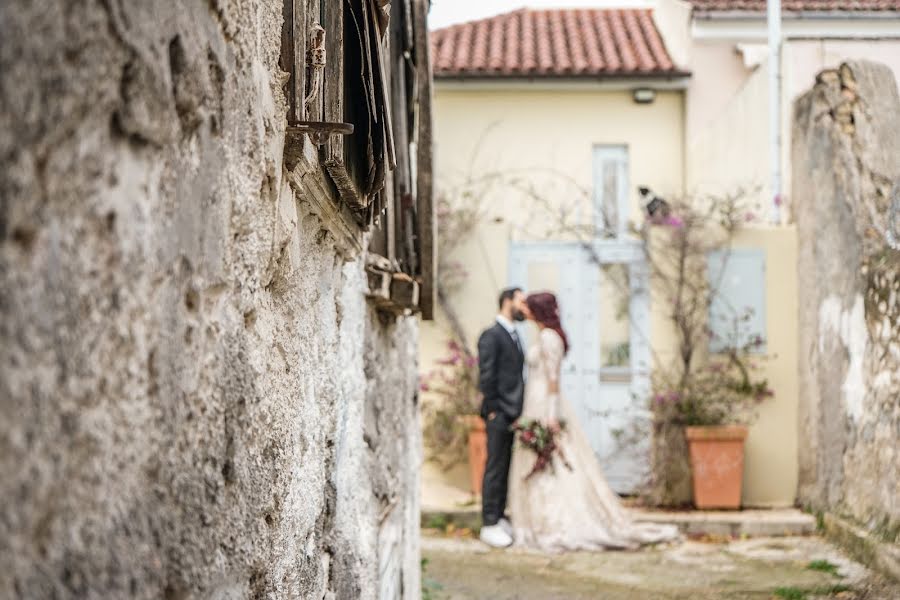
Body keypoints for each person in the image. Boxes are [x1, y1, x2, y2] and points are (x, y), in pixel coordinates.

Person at [508, 291, 680, 552]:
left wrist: (551, 413)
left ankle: (553, 522)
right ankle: (536, 520)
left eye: (529, 306)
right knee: (541, 460)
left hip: (544, 402)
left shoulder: (548, 338)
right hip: (534, 400)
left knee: (552, 460)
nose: (525, 310)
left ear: (537, 311)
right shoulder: (545, 335)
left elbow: (554, 379)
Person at [477, 287, 528, 548]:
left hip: (512, 412)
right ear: (507, 302)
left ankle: (498, 517)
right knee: (495, 467)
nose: (524, 306)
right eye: (521, 301)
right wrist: (494, 407)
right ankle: (488, 522)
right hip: (499, 412)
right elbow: (487, 375)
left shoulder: (514, 334)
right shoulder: (491, 335)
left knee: (505, 466)